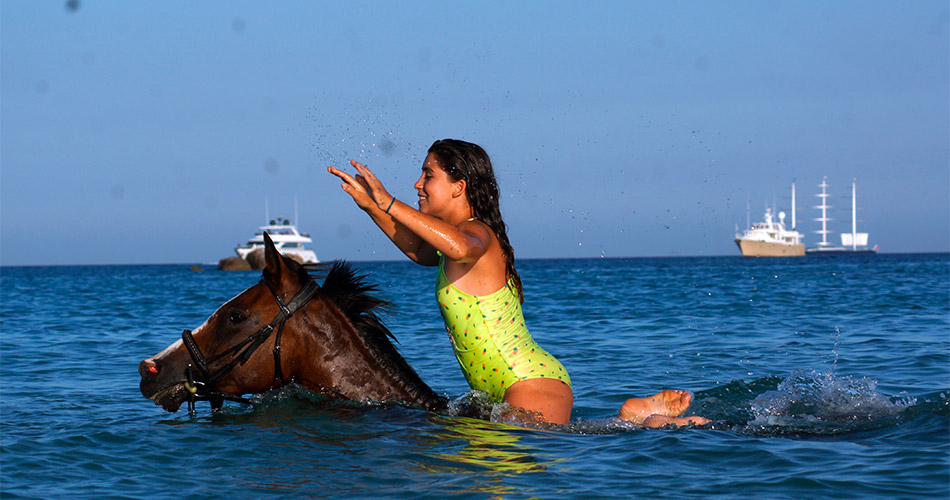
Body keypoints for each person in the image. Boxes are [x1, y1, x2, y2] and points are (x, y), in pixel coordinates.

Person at [328, 138, 709, 428]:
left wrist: (390, 202)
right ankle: (635, 416)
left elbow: (459, 246)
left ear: (459, 186)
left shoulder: (477, 234)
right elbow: (420, 251)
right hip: (501, 388)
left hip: (530, 381)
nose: (418, 183)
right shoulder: (452, 242)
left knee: (555, 444)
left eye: (429, 175)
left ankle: (653, 425)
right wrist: (372, 208)